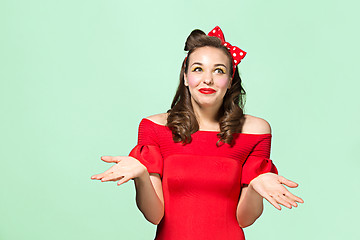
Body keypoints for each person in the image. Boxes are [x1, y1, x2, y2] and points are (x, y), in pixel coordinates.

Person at [91, 26, 304, 240]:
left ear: (230, 80)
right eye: (198, 69)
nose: (208, 79)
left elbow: (244, 219)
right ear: (185, 77)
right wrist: (142, 176)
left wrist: (256, 186)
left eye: (219, 70)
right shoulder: (153, 127)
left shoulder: (255, 131)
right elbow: (154, 216)